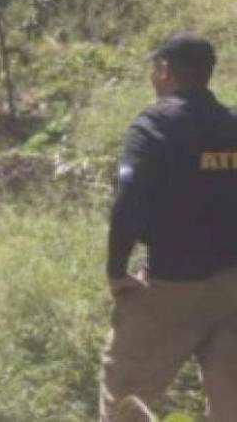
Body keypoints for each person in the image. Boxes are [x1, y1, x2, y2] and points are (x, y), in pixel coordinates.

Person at [99, 34, 237, 421]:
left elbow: (128, 196)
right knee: (231, 401)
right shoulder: (232, 124)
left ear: (164, 72)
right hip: (233, 283)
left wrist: (116, 269)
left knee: (124, 390)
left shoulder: (154, 125)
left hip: (173, 283)